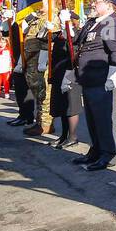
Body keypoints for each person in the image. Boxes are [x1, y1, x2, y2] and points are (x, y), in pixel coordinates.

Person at [69, 0, 116, 171]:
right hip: (89, 79)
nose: (93, 4)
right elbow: (76, 41)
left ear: (108, 5)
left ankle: (108, 154)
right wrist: (67, 25)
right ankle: (96, 150)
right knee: (93, 119)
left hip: (101, 79)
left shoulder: (111, 23)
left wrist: (113, 76)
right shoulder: (94, 23)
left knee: (103, 120)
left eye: (97, 2)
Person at [48, 11, 82, 149]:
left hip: (71, 71)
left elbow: (72, 48)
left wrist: (67, 28)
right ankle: (63, 135)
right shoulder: (60, 34)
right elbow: (45, 40)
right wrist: (47, 30)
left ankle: (73, 136)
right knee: (61, 104)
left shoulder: (77, 33)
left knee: (71, 104)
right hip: (58, 71)